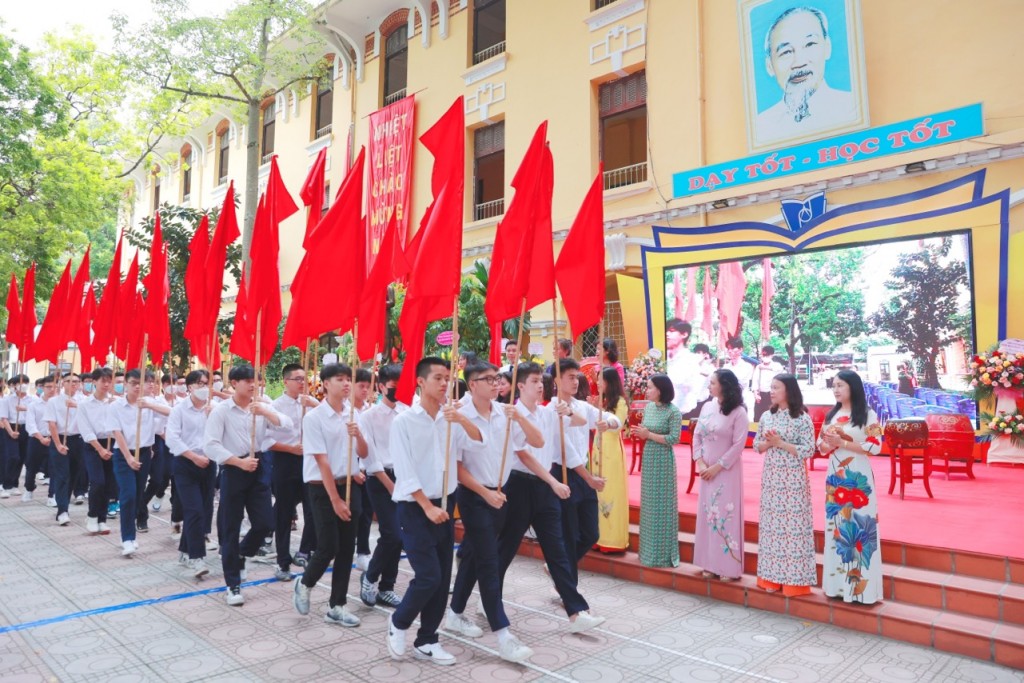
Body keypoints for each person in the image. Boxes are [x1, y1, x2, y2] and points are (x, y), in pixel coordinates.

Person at [386, 357, 485, 666]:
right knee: (428, 576)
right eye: (438, 378)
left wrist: (462, 420)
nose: (445, 383)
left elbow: (479, 444)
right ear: (421, 381)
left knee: (442, 579)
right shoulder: (404, 421)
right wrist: (426, 506)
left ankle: (427, 639)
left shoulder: (450, 418)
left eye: (447, 378)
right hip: (415, 507)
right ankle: (399, 622)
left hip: (445, 502)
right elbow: (403, 469)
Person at [497, 362, 606, 633]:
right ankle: (490, 596)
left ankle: (576, 610)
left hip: (545, 488)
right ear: (520, 386)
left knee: (557, 550)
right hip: (521, 485)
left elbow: (582, 421)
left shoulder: (547, 412)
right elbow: (524, 454)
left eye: (541, 381)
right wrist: (554, 481)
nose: (540, 385)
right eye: (534, 381)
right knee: (506, 548)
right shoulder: (512, 413)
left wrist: (568, 410)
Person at [445, 361, 540, 664]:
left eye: (497, 378)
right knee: (488, 560)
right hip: (475, 496)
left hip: (500, 494)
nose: (495, 383)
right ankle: (504, 635)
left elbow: (537, 442)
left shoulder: (504, 412)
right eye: (487, 379)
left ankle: (455, 614)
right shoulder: (459, 415)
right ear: (472, 385)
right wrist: (485, 493)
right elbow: (458, 468)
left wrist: (520, 420)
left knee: (473, 557)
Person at [204, 365, 291, 606]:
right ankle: (232, 584)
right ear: (234, 383)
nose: (252, 384)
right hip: (234, 468)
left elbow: (287, 425)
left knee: (265, 523)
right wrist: (238, 463)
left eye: (256, 380)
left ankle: (243, 552)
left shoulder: (261, 407)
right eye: (246, 380)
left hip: (259, 466)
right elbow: (210, 445)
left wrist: (267, 413)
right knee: (230, 527)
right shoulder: (221, 411)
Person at [293, 363, 368, 627]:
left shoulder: (353, 414)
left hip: (351, 484)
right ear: (325, 384)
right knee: (328, 546)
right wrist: (335, 499)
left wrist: (357, 435)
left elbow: (364, 452)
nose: (347, 384)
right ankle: (305, 582)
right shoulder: (314, 418)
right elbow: (322, 461)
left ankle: (337, 606)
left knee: (348, 547)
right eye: (340, 379)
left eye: (349, 379)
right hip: (323, 488)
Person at [819, 370, 883, 605]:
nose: (835, 390)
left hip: (859, 477)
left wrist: (843, 441)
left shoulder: (868, 414)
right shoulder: (831, 415)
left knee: (860, 528)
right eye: (833, 386)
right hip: (835, 478)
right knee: (837, 528)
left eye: (840, 386)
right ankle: (837, 587)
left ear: (852, 387)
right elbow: (821, 447)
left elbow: (876, 446)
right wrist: (828, 442)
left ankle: (861, 590)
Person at [755, 6, 858, 145]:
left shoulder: (852, 107)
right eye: (786, 52)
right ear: (769, 66)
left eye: (809, 44)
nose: (799, 62)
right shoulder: (760, 126)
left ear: (827, 47)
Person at [753, 373, 817, 596]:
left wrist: (780, 443)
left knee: (793, 529)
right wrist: (768, 444)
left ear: (789, 390)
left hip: (793, 480)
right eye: (770, 387)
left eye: (776, 387)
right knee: (772, 528)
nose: (771, 391)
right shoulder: (766, 417)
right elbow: (756, 446)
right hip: (772, 478)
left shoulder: (802, 418)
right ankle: (770, 578)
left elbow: (809, 450)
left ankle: (793, 582)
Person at [551, 359, 609, 582]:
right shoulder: (552, 409)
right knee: (569, 534)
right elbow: (566, 451)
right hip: (564, 473)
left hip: (583, 474)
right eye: (571, 377)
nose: (576, 381)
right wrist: (589, 478)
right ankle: (569, 588)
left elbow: (604, 418)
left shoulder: (580, 406)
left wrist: (609, 423)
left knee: (590, 534)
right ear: (557, 380)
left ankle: (558, 569)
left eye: (577, 377)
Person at [358, 364, 407, 609]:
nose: (397, 389)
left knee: (399, 537)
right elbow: (370, 458)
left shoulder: (407, 412)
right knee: (391, 533)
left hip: (404, 478)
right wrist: (390, 486)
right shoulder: (368, 416)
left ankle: (387, 587)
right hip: (380, 479)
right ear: (380, 386)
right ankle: (370, 577)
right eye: (393, 384)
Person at [692, 369, 748, 581]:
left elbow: (739, 445)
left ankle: (727, 566)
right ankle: (709, 562)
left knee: (725, 515)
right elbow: (696, 435)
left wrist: (716, 467)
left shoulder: (739, 412)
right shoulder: (707, 406)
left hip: (726, 472)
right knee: (708, 515)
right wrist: (699, 461)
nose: (709, 386)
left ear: (724, 385)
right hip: (705, 470)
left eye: (713, 382)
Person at [265, 363, 319, 581]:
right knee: (284, 513)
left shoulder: (310, 404)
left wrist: (315, 403)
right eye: (297, 379)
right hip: (285, 461)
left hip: (308, 461)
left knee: (313, 509)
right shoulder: (275, 406)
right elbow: (266, 440)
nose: (302, 382)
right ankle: (282, 561)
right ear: (286, 381)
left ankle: (304, 551)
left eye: (304, 378)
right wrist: (290, 448)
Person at [109, 371, 171, 557]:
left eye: (141, 383)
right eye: (134, 383)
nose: (138, 386)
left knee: (136, 495)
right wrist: (128, 457)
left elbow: (173, 413)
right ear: (126, 384)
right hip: (123, 454)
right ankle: (127, 538)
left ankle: (132, 532)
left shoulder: (152, 404)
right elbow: (117, 432)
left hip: (144, 453)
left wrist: (150, 405)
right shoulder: (116, 406)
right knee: (127, 495)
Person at [166, 370, 215, 579]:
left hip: (209, 463)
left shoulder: (214, 409)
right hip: (186, 463)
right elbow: (172, 438)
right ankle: (197, 557)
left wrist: (212, 417)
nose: (204, 387)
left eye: (206, 383)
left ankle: (185, 551)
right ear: (190, 387)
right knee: (193, 510)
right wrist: (193, 457)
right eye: (199, 384)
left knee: (203, 510)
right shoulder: (179, 410)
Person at [632, 374, 682, 568]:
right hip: (650, 456)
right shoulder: (649, 407)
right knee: (649, 504)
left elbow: (674, 439)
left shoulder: (673, 412)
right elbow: (646, 430)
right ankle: (647, 553)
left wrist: (649, 435)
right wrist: (641, 432)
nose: (647, 390)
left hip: (663, 460)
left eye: (651, 387)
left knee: (663, 505)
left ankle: (662, 555)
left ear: (661, 390)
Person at [76, 368, 116, 536]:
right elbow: (86, 431)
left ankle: (102, 520)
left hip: (112, 443)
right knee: (97, 482)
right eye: (102, 381)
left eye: (109, 381)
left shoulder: (115, 403)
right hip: (93, 445)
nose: (106, 384)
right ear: (94, 382)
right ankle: (92, 516)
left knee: (108, 483)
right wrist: (99, 449)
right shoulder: (84, 404)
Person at [594, 367, 629, 553]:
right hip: (598, 448)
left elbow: (618, 425)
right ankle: (598, 536)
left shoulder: (620, 402)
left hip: (611, 450)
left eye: (601, 380)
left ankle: (612, 540)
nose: (598, 384)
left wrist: (606, 422)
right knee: (598, 493)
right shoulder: (603, 400)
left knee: (611, 491)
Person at [45, 372, 84, 526]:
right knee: (62, 475)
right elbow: (51, 424)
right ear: (62, 383)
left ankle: (64, 504)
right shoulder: (54, 401)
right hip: (60, 438)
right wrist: (58, 444)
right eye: (69, 381)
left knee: (73, 475)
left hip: (78, 440)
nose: (73, 384)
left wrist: (77, 406)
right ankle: (62, 511)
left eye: (76, 381)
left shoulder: (84, 401)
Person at [351, 368, 374, 573]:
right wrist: (353, 469)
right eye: (361, 386)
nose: (365, 390)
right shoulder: (346, 412)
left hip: (367, 466)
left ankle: (363, 552)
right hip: (348, 468)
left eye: (368, 386)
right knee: (352, 513)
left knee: (366, 512)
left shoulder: (369, 410)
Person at [23, 376, 55, 504]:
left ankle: (52, 495)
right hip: (36, 439)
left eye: (54, 387)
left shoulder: (60, 403)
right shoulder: (34, 404)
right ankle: (29, 489)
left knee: (54, 468)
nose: (51, 390)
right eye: (48, 387)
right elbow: (30, 424)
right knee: (32, 466)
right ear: (42, 388)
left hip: (54, 439)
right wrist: (41, 438)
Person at [665, 319, 703, 417]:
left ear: (684, 334)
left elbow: (695, 391)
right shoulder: (662, 359)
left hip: (684, 415)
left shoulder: (692, 360)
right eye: (666, 331)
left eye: (672, 331)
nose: (667, 334)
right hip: (663, 415)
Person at [751, 346, 784, 421]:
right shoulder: (758, 367)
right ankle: (756, 432)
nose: (765, 357)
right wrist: (756, 394)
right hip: (760, 395)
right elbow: (755, 381)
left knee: (772, 417)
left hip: (772, 396)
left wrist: (766, 367)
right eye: (763, 355)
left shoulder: (777, 365)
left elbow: (779, 370)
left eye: (767, 355)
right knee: (757, 418)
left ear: (772, 355)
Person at [724, 337, 755, 415]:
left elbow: (739, 384)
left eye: (733, 348)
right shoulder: (725, 367)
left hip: (743, 402)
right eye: (728, 348)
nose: (730, 351)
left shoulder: (747, 367)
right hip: (727, 403)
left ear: (741, 349)